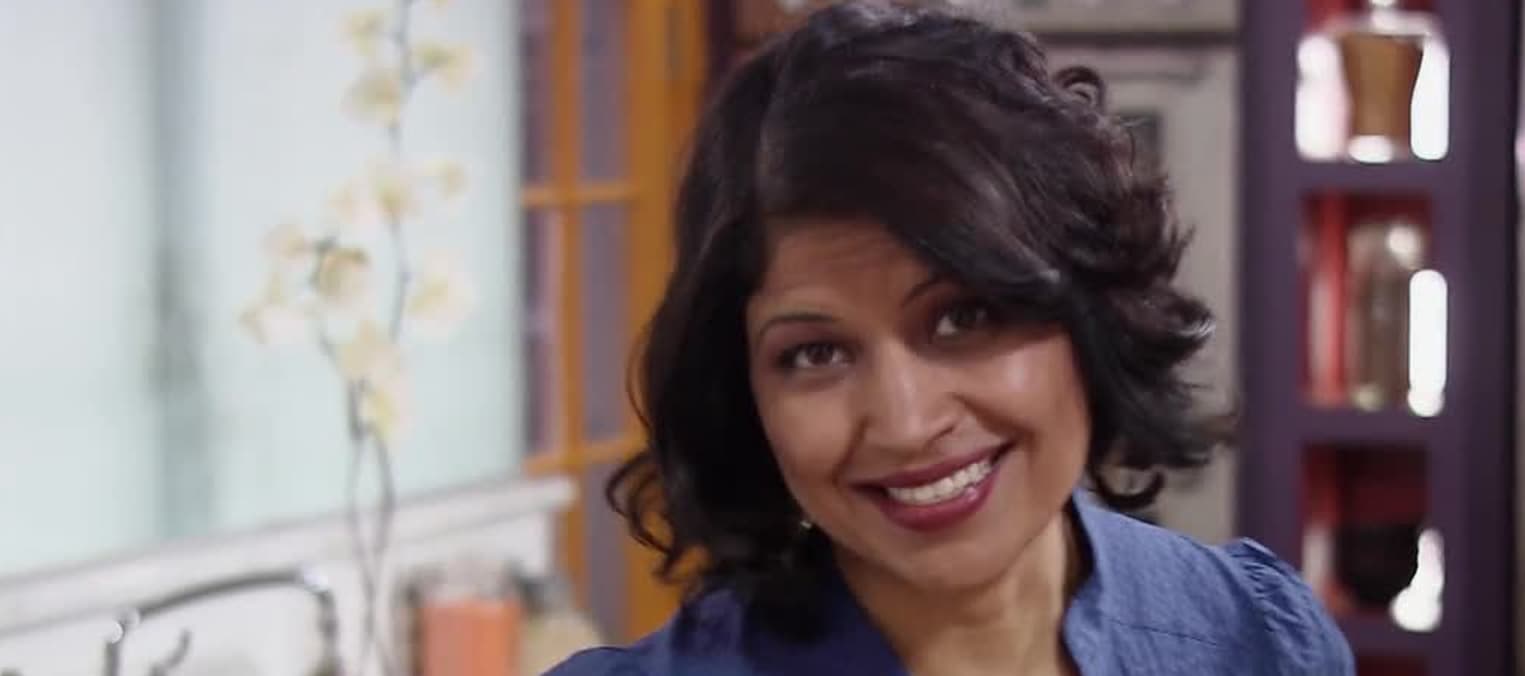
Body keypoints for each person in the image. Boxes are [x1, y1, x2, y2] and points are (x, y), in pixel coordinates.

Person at [548, 2, 1353, 674]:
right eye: (816, 355)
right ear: (745, 397)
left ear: (1090, 311)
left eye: (964, 318)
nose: (905, 423)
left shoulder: (1257, 642)